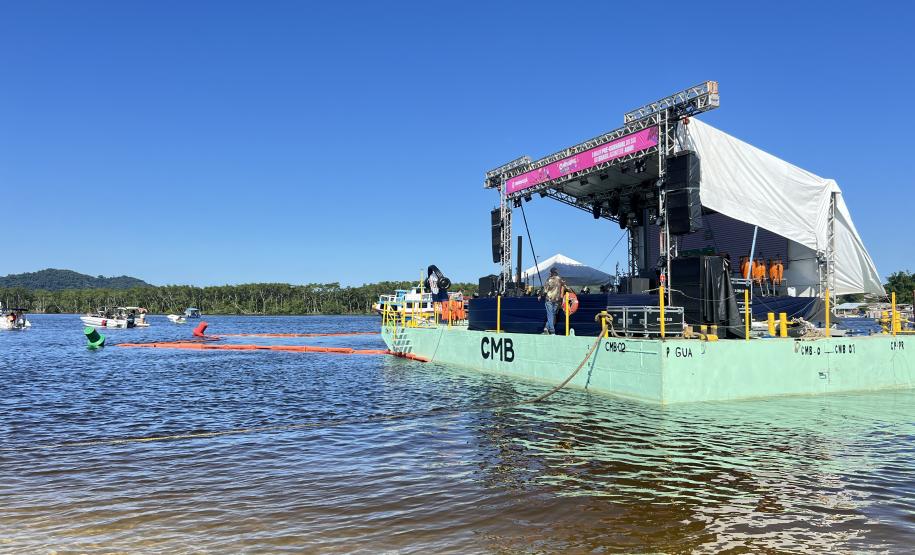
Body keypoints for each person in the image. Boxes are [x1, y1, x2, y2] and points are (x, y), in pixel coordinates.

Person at [542, 267, 567, 335]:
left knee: (550, 314)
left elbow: (545, 291)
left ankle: (552, 331)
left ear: (551, 272)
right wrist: (572, 292)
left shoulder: (548, 280)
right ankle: (546, 328)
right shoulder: (559, 279)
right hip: (557, 300)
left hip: (549, 299)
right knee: (552, 315)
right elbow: (565, 286)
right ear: (556, 272)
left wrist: (540, 295)